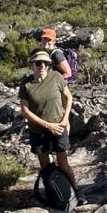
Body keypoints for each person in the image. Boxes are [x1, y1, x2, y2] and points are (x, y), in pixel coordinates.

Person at [17, 48, 78, 195]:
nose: (42, 66)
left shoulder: (56, 77)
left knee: (63, 164)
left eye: (46, 63)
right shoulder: (26, 84)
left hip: (58, 126)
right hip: (39, 131)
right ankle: (53, 194)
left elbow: (68, 97)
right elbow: (25, 111)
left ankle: (74, 192)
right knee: (45, 165)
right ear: (32, 65)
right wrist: (47, 125)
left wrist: (64, 120)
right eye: (38, 63)